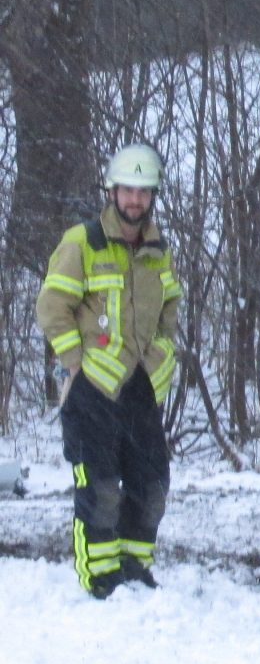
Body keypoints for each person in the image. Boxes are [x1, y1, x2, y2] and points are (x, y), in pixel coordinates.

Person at [36, 143, 182, 597]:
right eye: (127, 190)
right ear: (112, 191)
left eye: (143, 192)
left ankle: (134, 568)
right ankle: (100, 577)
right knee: (100, 488)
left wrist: (161, 357)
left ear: (152, 196)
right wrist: (74, 364)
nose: (135, 200)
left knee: (151, 486)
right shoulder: (83, 242)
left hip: (140, 387)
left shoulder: (158, 250)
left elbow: (169, 311)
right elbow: (52, 306)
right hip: (92, 389)